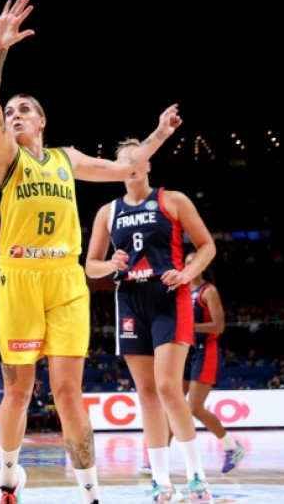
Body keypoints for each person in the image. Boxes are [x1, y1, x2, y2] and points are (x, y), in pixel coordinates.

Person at [0, 0, 182, 504]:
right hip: (19, 281)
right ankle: (7, 477)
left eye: (24, 108)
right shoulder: (5, 158)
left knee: (68, 391)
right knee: (19, 392)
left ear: (42, 121)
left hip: (66, 281)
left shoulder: (66, 159)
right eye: (11, 111)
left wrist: (157, 133)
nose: (14, 113)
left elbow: (125, 169)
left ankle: (90, 492)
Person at [84, 138, 216, 503]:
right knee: (146, 394)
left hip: (168, 297)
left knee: (168, 388)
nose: (131, 162)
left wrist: (188, 272)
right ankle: (161, 481)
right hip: (129, 301)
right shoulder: (107, 212)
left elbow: (207, 245)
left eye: (137, 156)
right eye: (123, 158)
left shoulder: (172, 200)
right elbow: (90, 265)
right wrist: (111, 264)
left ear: (148, 165)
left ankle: (197, 478)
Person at [181, 250, 245, 474]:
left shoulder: (208, 291)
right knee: (174, 405)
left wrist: (190, 328)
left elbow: (219, 327)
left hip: (204, 351)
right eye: (187, 262)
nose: (190, 265)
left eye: (193, 262)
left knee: (195, 408)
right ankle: (155, 460)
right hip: (185, 352)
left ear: (202, 265)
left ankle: (232, 447)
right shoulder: (180, 290)